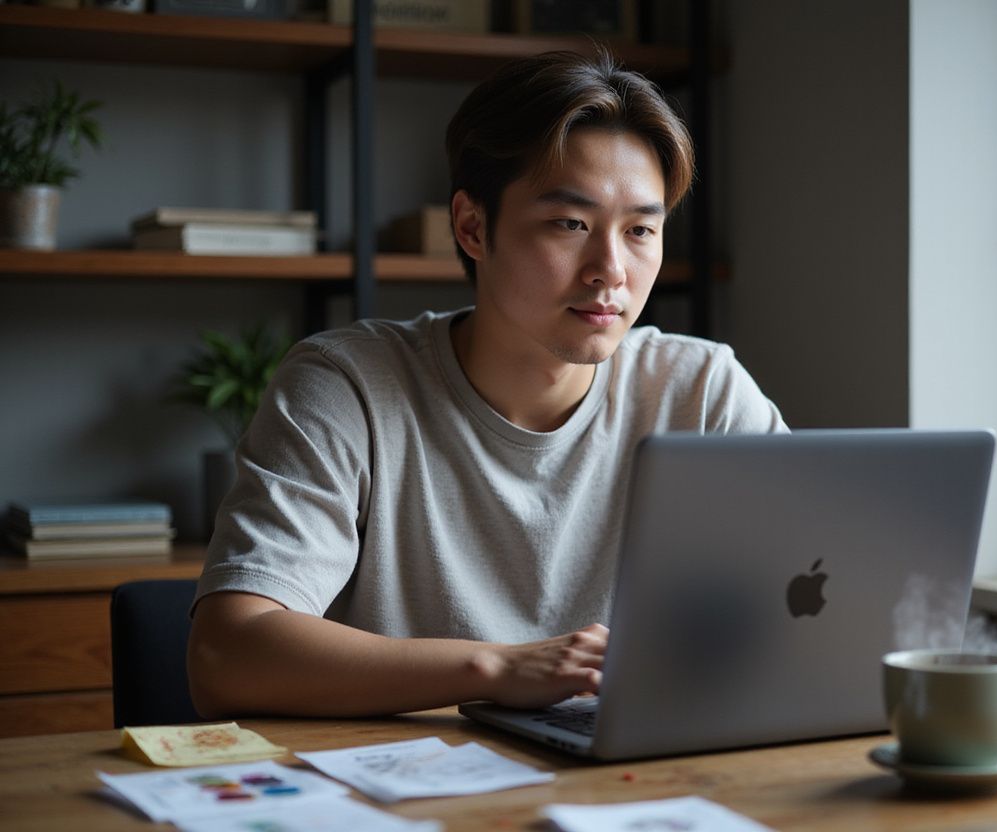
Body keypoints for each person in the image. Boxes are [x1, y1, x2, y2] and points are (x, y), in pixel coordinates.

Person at [187, 48, 787, 719]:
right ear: (472, 226)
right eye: (571, 224)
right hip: (408, 789)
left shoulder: (700, 389)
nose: (611, 270)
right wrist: (498, 668)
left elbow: (819, 599)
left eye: (641, 230)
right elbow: (227, 655)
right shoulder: (348, 386)